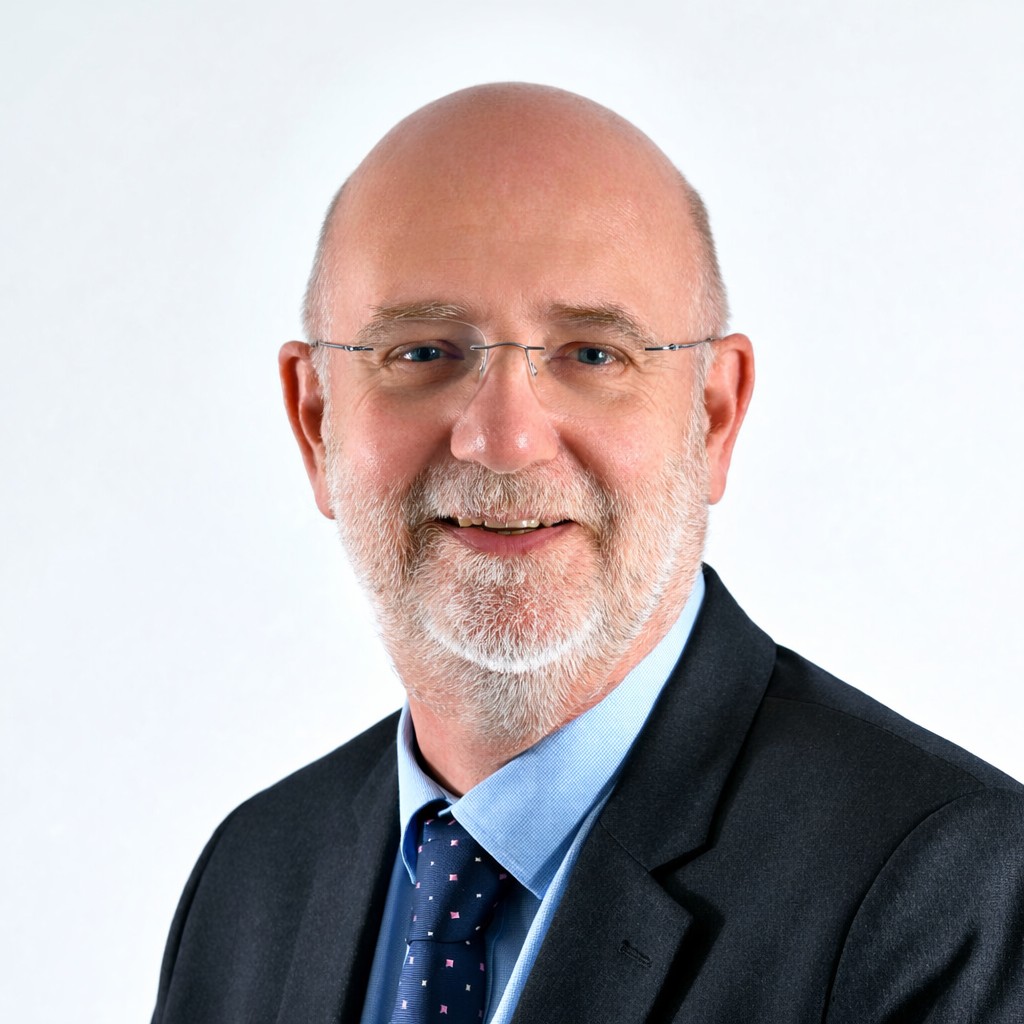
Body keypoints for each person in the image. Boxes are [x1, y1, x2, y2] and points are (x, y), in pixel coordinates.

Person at [151, 84, 1024, 1023]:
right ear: (316, 420)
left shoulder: (954, 896)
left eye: (592, 354)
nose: (504, 438)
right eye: (424, 353)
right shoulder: (251, 879)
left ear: (715, 414)